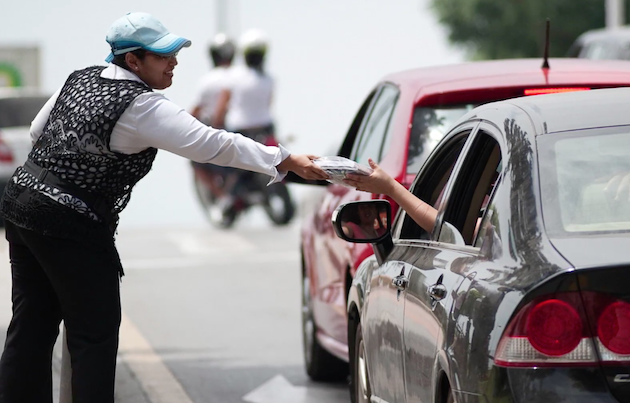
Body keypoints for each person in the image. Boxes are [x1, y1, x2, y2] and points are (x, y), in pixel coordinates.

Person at [0, 12, 328, 403]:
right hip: (71, 221)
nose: (174, 61)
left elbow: (39, 131)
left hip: (23, 204)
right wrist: (285, 159)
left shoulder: (79, 78)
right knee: (93, 336)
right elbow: (215, 144)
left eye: (174, 52)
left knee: (30, 327)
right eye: (163, 55)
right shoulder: (142, 106)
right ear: (133, 61)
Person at [211, 29, 276, 212]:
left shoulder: (233, 76)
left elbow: (222, 105)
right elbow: (269, 103)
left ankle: (227, 199)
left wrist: (216, 123)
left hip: (240, 130)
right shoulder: (269, 78)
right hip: (266, 128)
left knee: (232, 168)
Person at [189, 33, 237, 217]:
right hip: (252, 128)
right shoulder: (241, 75)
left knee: (196, 164)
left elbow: (196, 109)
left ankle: (224, 196)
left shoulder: (208, 80)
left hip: (219, 129)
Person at [343, 159, 439, 234]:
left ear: (377, 211)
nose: (366, 209)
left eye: (369, 207)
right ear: (358, 213)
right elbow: (346, 231)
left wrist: (391, 188)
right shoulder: (355, 228)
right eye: (362, 207)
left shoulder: (381, 232)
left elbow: (440, 227)